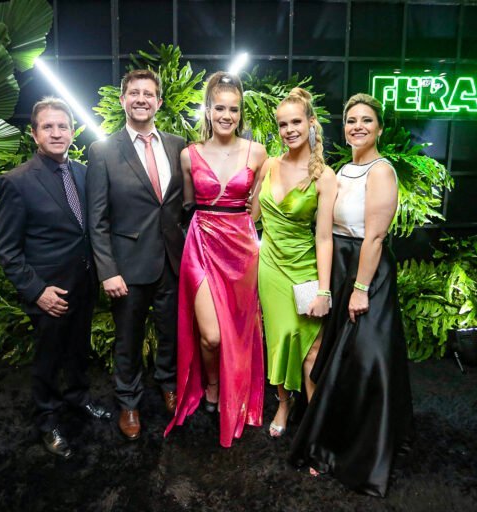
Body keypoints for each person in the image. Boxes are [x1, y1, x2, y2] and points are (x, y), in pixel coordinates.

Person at [288, 93, 414, 497]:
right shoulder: (342, 170)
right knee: (334, 356)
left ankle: (364, 448)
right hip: (341, 267)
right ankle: (333, 438)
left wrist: (361, 289)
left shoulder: (382, 171)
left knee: (366, 359)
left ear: (379, 128)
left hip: (367, 271)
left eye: (366, 120)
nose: (358, 126)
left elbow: (375, 236)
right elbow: (326, 230)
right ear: (343, 128)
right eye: (351, 120)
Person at [0, 97, 112, 459]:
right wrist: (37, 291)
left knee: (78, 350)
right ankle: (47, 421)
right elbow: (8, 250)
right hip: (50, 292)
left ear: (72, 132)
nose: (57, 133)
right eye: (48, 126)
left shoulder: (84, 172)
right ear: (34, 134)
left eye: (63, 126)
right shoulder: (16, 182)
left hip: (84, 283)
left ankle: (78, 397)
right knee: (47, 360)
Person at [165, 71, 267, 448]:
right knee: (210, 335)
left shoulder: (257, 153)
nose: (227, 115)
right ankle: (211, 384)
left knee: (240, 329)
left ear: (241, 113)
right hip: (202, 244)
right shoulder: (189, 155)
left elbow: (257, 207)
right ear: (208, 111)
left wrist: (246, 236)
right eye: (220, 108)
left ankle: (234, 390)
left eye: (234, 109)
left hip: (241, 249)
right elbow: (188, 203)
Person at [87, 69, 186, 441]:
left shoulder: (178, 145)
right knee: (128, 340)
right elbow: (97, 219)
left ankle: (169, 384)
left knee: (171, 333)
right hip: (127, 267)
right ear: (123, 100)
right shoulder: (103, 151)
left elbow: (184, 206)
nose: (141, 99)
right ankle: (128, 401)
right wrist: (107, 270)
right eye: (134, 93)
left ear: (159, 102)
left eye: (148, 93)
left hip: (172, 261)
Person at [250, 88, 336, 438]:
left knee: (312, 349)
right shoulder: (269, 165)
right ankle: (283, 404)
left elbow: (324, 237)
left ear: (311, 123)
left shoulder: (324, 176)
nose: (289, 130)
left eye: (296, 122)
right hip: (270, 268)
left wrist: (324, 291)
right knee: (279, 339)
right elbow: (251, 216)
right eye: (283, 124)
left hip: (304, 269)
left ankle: (316, 426)